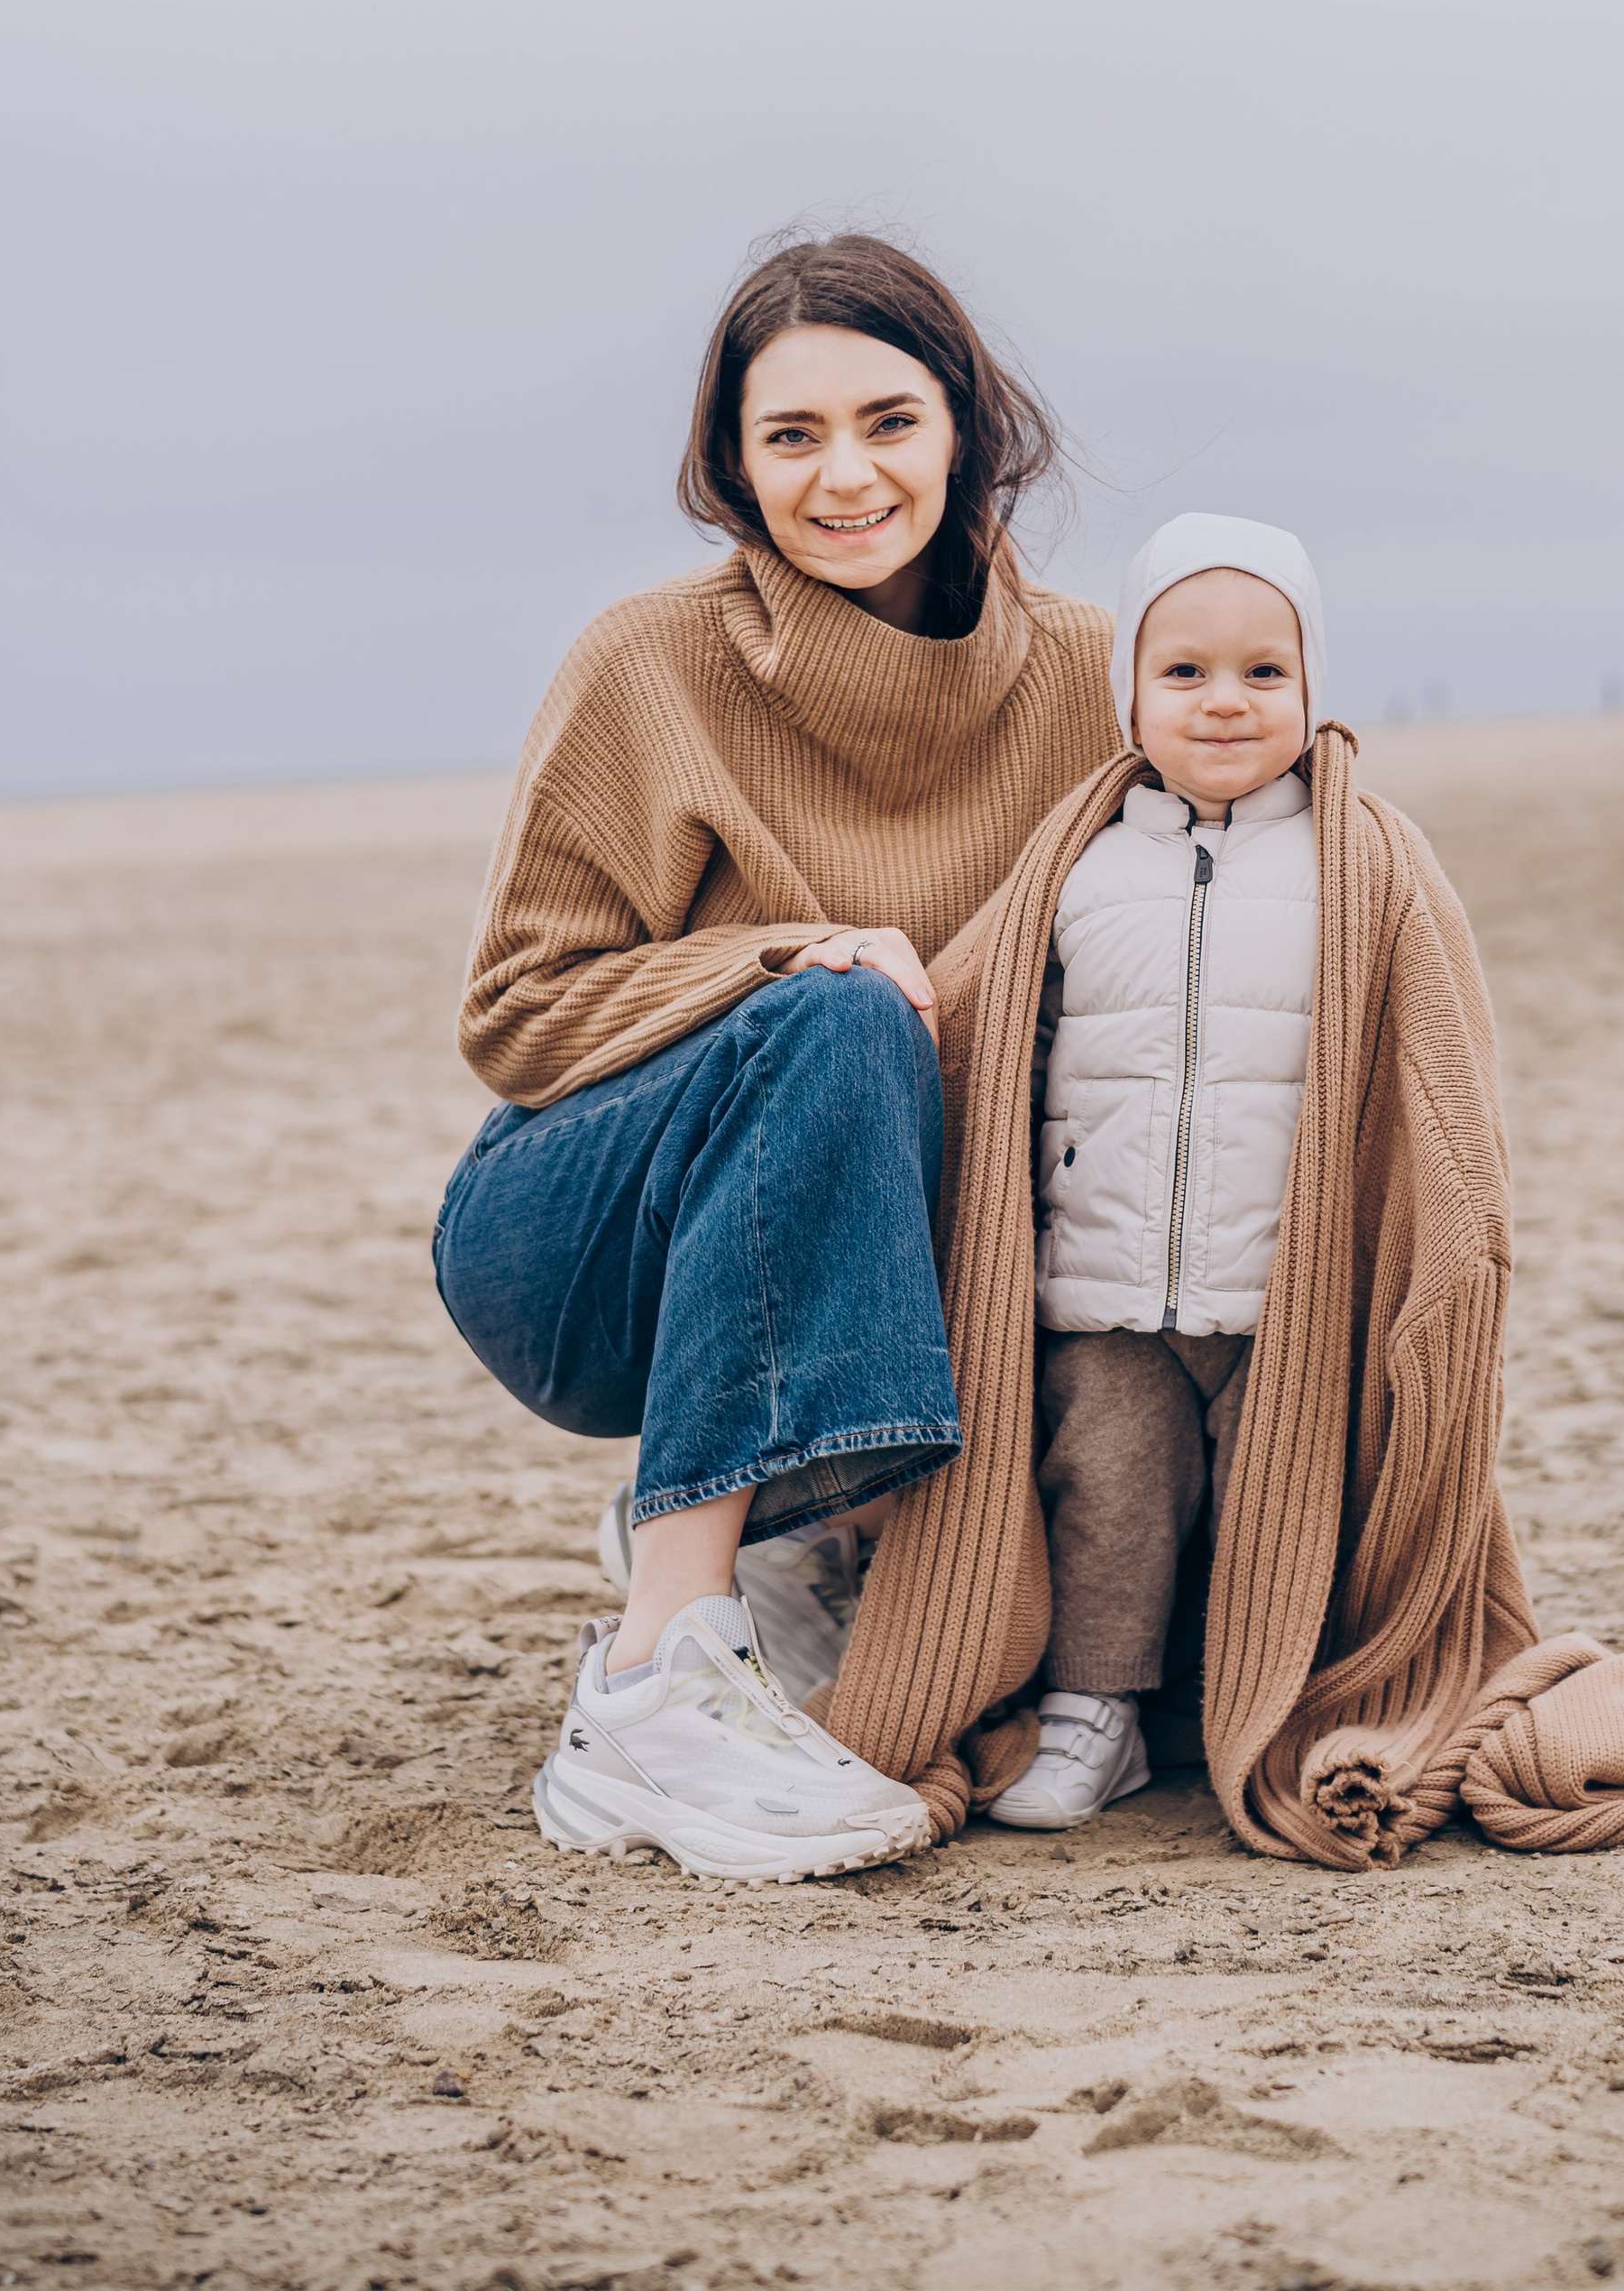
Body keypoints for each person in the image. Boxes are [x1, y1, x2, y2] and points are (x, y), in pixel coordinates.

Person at [433, 234, 1118, 1883]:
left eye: (887, 419)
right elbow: (519, 1010)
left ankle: (796, 1509)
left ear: (967, 425)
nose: (846, 474)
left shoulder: (1101, 675)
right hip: (585, 1241)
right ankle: (654, 1674)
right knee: (837, 1012)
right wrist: (781, 955)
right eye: (790, 436)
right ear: (731, 469)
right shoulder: (648, 661)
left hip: (906, 1256)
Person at [986, 512, 1325, 1831]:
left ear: (1312, 687)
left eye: (1263, 672)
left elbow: (1423, 1075)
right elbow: (1010, 1033)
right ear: (1128, 689)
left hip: (1279, 1287)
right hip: (1108, 1280)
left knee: (1277, 1508)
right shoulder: (1081, 869)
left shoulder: (1351, 865)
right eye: (1183, 672)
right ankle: (1098, 1710)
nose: (1225, 702)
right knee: (1108, 1495)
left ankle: (1271, 1701)